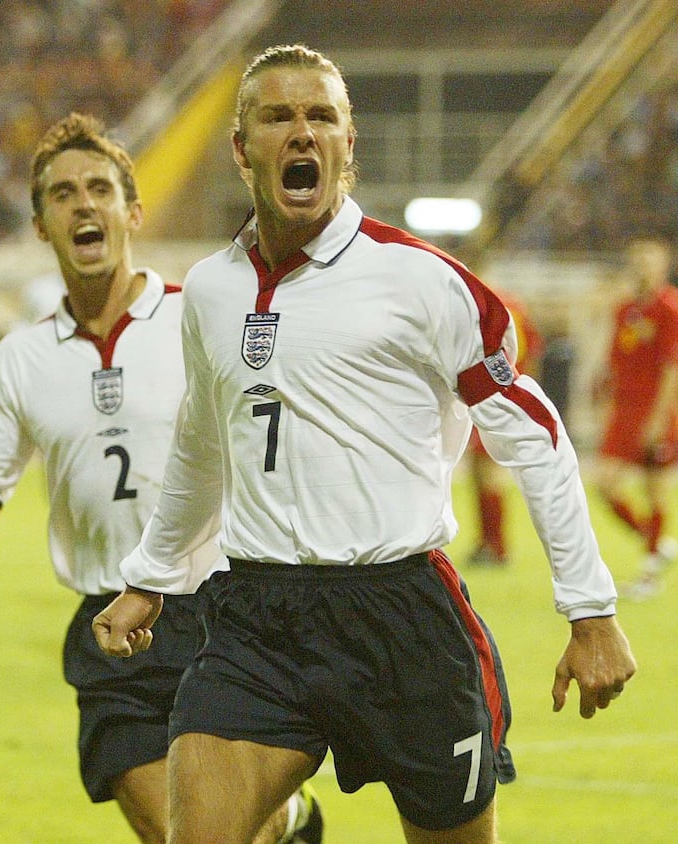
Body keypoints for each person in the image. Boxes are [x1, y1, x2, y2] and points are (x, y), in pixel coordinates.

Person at [91, 46, 636, 844]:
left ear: (350, 146)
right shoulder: (210, 290)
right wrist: (153, 576)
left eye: (323, 117)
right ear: (242, 151)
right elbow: (203, 444)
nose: (302, 133)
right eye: (278, 117)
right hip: (255, 619)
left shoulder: (423, 281)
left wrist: (591, 612)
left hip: (403, 620)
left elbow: (538, 438)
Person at [0, 112, 322, 844]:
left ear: (131, 212)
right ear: (42, 225)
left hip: (222, 613)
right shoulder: (19, 359)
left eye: (99, 189)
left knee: (240, 831)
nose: (83, 203)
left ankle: (291, 818)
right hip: (109, 627)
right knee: (180, 834)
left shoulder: (199, 316)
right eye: (62, 194)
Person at [594, 234, 678, 600]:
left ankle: (649, 575)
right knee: (605, 484)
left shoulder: (670, 308)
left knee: (654, 487)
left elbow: (671, 367)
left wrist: (659, 418)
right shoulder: (626, 309)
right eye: (638, 260)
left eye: (650, 260)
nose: (643, 267)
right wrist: (606, 400)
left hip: (655, 410)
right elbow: (615, 359)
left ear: (663, 266)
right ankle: (657, 543)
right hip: (625, 409)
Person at [465, 290, 543, 567]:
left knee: (490, 473)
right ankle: (485, 543)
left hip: (494, 398)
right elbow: (531, 349)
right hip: (479, 396)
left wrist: (515, 390)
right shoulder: (504, 303)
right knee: (478, 471)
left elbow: (527, 351)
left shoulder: (498, 305)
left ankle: (498, 548)